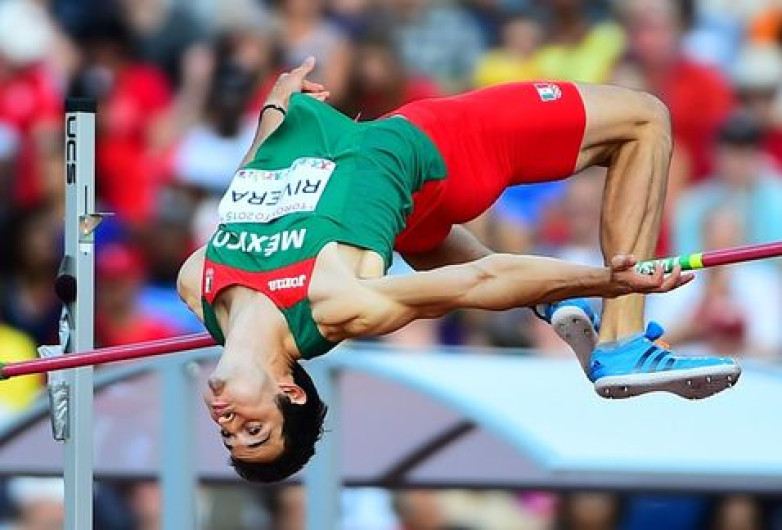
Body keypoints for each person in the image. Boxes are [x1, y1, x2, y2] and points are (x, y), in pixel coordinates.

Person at [176, 58, 741, 483]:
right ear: (288, 393)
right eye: (255, 430)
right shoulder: (333, 305)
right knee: (645, 117)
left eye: (230, 436)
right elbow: (479, 282)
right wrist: (607, 280)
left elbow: (248, 188)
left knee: (418, 232)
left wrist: (275, 110)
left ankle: (549, 307)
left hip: (406, 211)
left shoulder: (197, 282)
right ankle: (621, 339)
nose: (230, 424)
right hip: (440, 148)